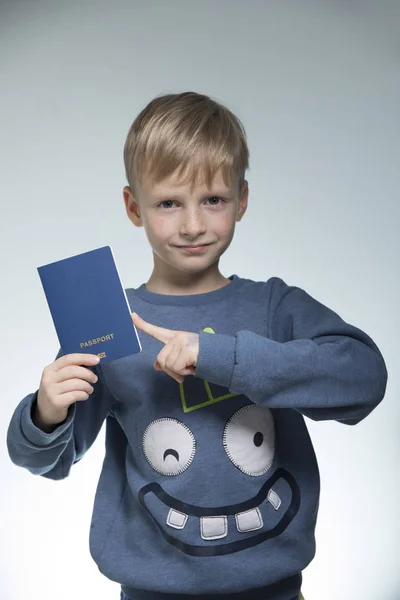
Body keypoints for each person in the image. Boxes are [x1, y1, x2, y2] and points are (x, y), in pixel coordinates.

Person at [7, 92, 387, 600]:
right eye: (168, 203)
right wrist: (45, 414)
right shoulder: (105, 318)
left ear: (242, 199)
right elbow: (43, 459)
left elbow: (364, 378)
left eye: (213, 199)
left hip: (273, 590)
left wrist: (219, 356)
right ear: (133, 206)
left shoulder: (274, 307)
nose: (192, 225)